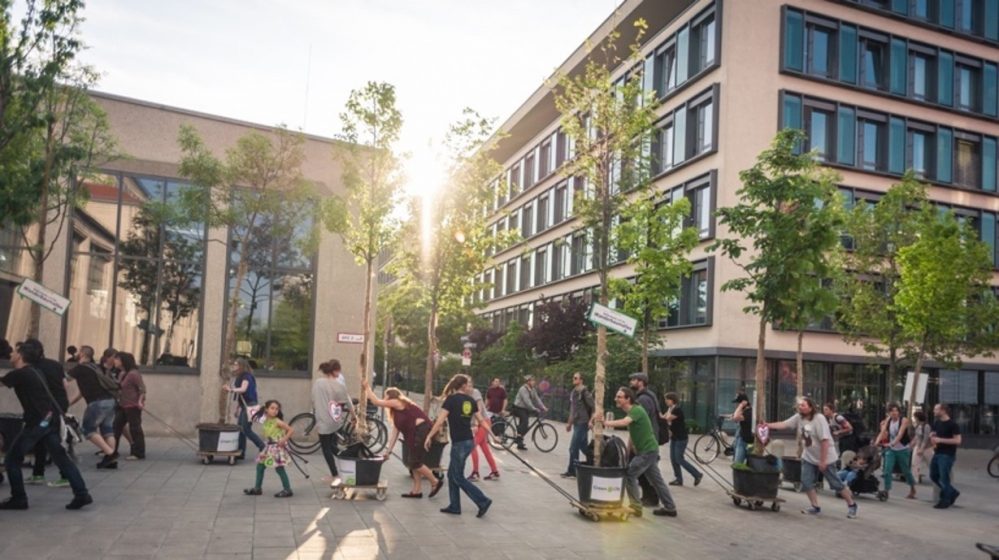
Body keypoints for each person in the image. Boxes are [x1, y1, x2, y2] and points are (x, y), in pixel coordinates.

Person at [0, 339, 92, 510]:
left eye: (14, 352)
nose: (10, 354)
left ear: (20, 355)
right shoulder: (35, 371)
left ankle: (18, 498)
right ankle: (82, 493)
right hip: (49, 420)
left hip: (37, 423)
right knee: (62, 458)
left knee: (12, 459)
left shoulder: (21, 373)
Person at [766, 397, 858, 518]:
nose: (800, 407)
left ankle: (851, 505)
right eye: (800, 405)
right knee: (806, 481)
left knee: (835, 483)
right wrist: (767, 425)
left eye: (803, 405)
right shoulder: (799, 417)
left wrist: (823, 461)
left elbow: (825, 441)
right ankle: (815, 506)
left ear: (810, 407)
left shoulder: (819, 419)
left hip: (826, 457)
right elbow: (784, 424)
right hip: (809, 456)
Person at [603, 387, 677, 518]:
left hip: (647, 451)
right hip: (648, 450)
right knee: (656, 480)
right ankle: (670, 508)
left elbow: (625, 422)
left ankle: (636, 507)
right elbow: (633, 433)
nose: (616, 399)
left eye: (619, 397)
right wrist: (630, 449)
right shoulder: (633, 412)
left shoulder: (636, 410)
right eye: (616, 396)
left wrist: (605, 422)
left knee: (630, 475)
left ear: (628, 399)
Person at [425, 374, 492, 517]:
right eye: (469, 385)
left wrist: (429, 436)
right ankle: (455, 506)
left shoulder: (451, 400)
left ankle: (483, 500)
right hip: (468, 441)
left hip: (459, 443)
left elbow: (439, 421)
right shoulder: (471, 401)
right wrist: (493, 435)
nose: (470, 387)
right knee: (452, 474)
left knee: (457, 476)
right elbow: (482, 421)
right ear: (463, 386)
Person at [363, 380, 443, 498]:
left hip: (421, 431)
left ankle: (435, 482)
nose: (385, 399)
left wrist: (367, 388)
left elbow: (375, 401)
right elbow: (395, 433)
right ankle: (417, 491)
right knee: (413, 462)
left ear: (391, 396)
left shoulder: (398, 401)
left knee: (415, 462)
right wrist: (388, 451)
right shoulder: (396, 413)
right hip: (413, 434)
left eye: (386, 396)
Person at [27, 341, 76, 483]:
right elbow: (64, 384)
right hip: (58, 405)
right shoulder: (55, 364)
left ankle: (64, 475)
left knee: (50, 440)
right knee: (44, 439)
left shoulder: (32, 367)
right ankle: (38, 473)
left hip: (45, 409)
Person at [66, 346, 118, 463]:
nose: (77, 354)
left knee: (88, 429)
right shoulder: (96, 367)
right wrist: (68, 403)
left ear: (83, 354)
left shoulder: (79, 369)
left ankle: (110, 454)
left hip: (97, 403)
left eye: (79, 352)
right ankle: (111, 460)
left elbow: (65, 380)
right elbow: (81, 393)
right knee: (107, 429)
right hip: (110, 401)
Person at [312, 359, 354, 478]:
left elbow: (313, 399)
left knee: (326, 447)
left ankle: (335, 473)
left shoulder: (318, 382)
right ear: (335, 371)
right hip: (334, 420)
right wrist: (354, 416)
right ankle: (348, 457)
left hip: (323, 420)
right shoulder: (339, 385)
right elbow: (346, 401)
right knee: (331, 446)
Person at [243, 400, 294, 498]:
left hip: (276, 448)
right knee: (260, 466)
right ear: (266, 409)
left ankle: (287, 489)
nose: (275, 411)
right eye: (272, 408)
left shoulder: (277, 421)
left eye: (277, 409)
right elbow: (253, 413)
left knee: (279, 468)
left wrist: (284, 439)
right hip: (268, 447)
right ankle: (257, 488)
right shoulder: (264, 419)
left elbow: (291, 430)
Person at [629, 372, 664, 506]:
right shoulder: (651, 395)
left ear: (641, 382)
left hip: (645, 441)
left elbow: (639, 421)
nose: (631, 382)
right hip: (651, 438)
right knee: (651, 470)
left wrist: (632, 442)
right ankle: (652, 498)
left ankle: (651, 498)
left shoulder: (643, 399)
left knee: (642, 470)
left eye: (634, 380)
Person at [872, 403, 916, 499]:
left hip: (903, 449)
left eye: (896, 411)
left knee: (905, 471)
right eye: (892, 411)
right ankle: (886, 490)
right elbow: (882, 432)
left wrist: (892, 443)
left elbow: (900, 434)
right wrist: (876, 443)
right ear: (888, 413)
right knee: (887, 470)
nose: (894, 413)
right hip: (891, 449)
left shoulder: (904, 420)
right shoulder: (888, 420)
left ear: (899, 412)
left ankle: (912, 488)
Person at [223, 358, 265, 460]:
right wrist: (238, 408)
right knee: (240, 429)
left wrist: (230, 390)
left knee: (246, 429)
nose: (234, 366)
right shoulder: (240, 376)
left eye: (236, 364)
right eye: (234, 364)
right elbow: (242, 396)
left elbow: (243, 389)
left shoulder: (246, 376)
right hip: (245, 405)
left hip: (250, 405)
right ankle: (241, 452)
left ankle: (263, 446)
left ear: (242, 365)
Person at [662, 392, 702, 487]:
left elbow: (666, 418)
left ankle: (697, 474)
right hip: (675, 438)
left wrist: (662, 417)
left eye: (667, 399)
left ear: (672, 400)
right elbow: (663, 417)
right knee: (673, 459)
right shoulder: (670, 409)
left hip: (681, 438)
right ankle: (678, 479)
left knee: (679, 459)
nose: (665, 401)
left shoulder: (677, 410)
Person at [111, 352, 145, 461]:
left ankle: (138, 453)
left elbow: (142, 389)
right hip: (122, 405)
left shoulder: (134, 374)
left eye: (117, 359)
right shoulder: (122, 373)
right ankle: (112, 450)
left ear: (123, 361)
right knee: (116, 426)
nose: (115, 361)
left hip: (132, 405)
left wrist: (140, 402)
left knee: (135, 428)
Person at [560, 372, 594, 479]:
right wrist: (569, 423)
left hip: (583, 423)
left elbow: (594, 407)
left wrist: (591, 421)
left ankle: (573, 471)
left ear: (581, 380)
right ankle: (594, 460)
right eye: (573, 377)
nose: (573, 379)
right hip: (576, 422)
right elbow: (572, 409)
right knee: (583, 447)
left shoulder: (585, 392)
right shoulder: (574, 392)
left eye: (575, 378)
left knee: (573, 447)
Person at [929, 402, 961, 509]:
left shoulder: (953, 425)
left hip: (947, 455)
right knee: (933, 475)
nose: (934, 411)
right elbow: (934, 433)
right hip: (937, 452)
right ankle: (952, 491)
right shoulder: (937, 422)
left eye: (936, 409)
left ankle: (945, 500)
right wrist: (932, 436)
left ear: (943, 410)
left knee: (944, 478)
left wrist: (940, 440)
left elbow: (958, 440)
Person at [467, 376, 499, 481]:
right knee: (484, 448)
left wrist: (476, 424)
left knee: (472, 446)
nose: (469, 387)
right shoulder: (464, 394)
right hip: (479, 423)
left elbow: (479, 408)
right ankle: (494, 471)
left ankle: (475, 473)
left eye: (470, 384)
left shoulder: (475, 392)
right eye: (467, 385)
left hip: (483, 422)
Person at [511, 375, 546, 450]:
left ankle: (519, 442)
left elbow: (537, 399)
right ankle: (518, 436)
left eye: (534, 381)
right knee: (525, 421)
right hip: (517, 407)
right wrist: (534, 409)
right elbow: (527, 401)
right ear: (528, 382)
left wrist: (543, 407)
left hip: (525, 409)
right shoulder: (523, 389)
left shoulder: (533, 389)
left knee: (525, 424)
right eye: (532, 381)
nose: (534, 382)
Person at [911, 410, 933, 484]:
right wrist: (912, 444)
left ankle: (936, 478)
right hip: (918, 446)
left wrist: (922, 449)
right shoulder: (917, 426)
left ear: (918, 418)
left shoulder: (926, 426)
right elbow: (917, 436)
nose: (914, 419)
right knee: (915, 463)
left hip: (927, 448)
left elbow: (925, 439)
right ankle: (915, 478)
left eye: (915, 417)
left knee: (931, 463)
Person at [730, 389, 752, 465]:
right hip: (742, 440)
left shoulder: (748, 412)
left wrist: (741, 405)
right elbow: (734, 418)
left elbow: (736, 417)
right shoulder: (745, 411)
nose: (737, 405)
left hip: (746, 442)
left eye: (738, 403)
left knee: (738, 464)